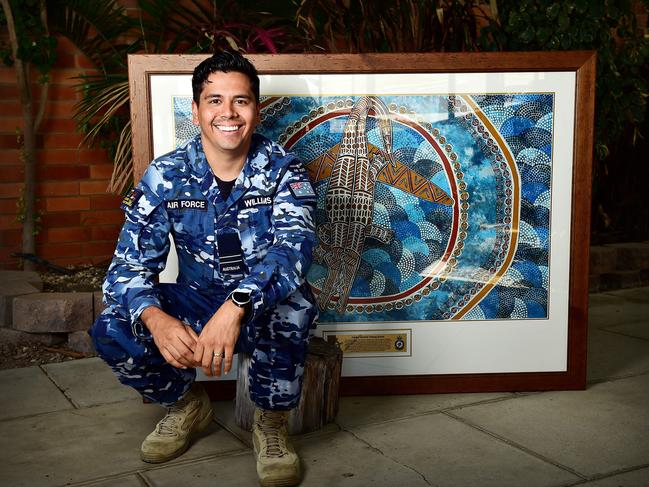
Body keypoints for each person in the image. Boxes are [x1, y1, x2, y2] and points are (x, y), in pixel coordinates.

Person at [90, 50, 317, 487]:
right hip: (196, 300)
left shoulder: (285, 172)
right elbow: (126, 268)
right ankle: (185, 404)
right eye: (214, 100)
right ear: (195, 111)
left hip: (260, 307)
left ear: (256, 108)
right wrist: (156, 320)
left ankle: (270, 422)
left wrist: (235, 308)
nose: (228, 113)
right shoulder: (166, 175)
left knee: (295, 306)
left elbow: (292, 253)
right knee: (112, 326)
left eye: (241, 100)